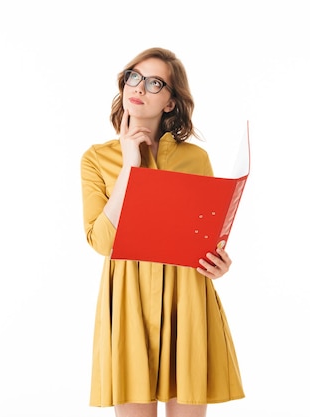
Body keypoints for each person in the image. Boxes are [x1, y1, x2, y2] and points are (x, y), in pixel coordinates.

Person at [80, 47, 245, 417]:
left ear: (171, 102)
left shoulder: (195, 159)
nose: (140, 86)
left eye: (155, 83)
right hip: (128, 300)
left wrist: (219, 262)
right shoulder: (96, 159)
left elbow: (206, 236)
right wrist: (129, 166)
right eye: (133, 76)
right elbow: (103, 241)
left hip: (185, 298)